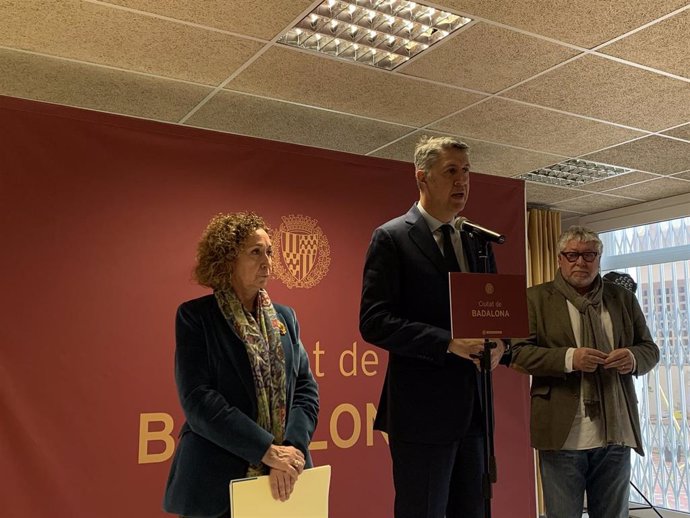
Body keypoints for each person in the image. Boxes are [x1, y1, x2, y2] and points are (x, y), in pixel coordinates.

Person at [359, 135, 510, 518]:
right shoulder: (392, 237)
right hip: (421, 416)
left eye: (467, 173)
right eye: (451, 172)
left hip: (475, 413)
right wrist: (447, 342)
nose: (462, 182)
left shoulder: (477, 243)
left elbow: (493, 317)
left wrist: (501, 346)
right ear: (422, 178)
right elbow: (374, 321)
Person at [163, 212, 319, 518]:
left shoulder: (286, 318)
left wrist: (292, 450)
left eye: (270, 252)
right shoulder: (197, 317)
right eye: (255, 252)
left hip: (284, 479)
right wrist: (266, 451)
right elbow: (199, 400)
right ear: (227, 259)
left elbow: (305, 388)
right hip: (216, 483)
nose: (267, 262)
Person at [511, 226, 659, 518]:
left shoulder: (621, 298)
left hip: (615, 433)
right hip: (562, 433)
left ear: (599, 258)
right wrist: (570, 358)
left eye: (589, 255)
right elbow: (517, 354)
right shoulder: (535, 299)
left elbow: (649, 349)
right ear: (559, 259)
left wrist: (631, 357)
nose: (581, 262)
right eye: (572, 255)